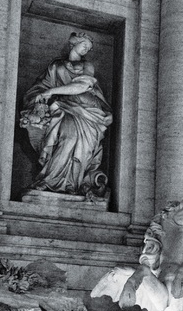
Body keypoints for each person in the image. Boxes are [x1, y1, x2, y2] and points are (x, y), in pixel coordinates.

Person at [19, 32, 114, 199]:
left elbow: (81, 85)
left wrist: (51, 91)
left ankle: (73, 185)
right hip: (64, 109)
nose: (86, 49)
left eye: (89, 48)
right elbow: (41, 86)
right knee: (69, 137)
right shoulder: (56, 66)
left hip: (89, 113)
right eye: (84, 45)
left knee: (84, 148)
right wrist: (39, 96)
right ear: (74, 43)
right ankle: (50, 180)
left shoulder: (87, 66)